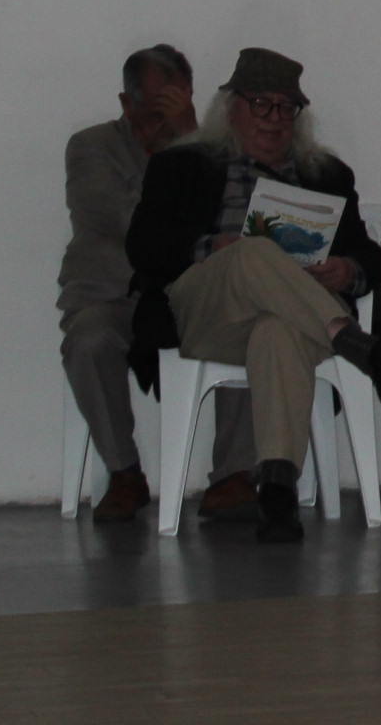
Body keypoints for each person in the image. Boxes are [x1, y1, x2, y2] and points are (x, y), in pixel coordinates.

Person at [127, 48, 381, 543]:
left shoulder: (327, 175)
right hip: (205, 310)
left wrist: (349, 270)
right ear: (231, 108)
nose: (275, 118)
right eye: (261, 104)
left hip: (295, 317)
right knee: (253, 252)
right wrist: (213, 247)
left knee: (278, 331)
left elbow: (369, 255)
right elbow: (143, 246)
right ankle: (364, 349)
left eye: (286, 107)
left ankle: (276, 493)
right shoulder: (182, 165)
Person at [59, 45, 248, 524]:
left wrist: (189, 141)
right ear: (127, 103)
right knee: (88, 341)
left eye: (175, 106)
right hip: (112, 294)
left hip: (188, 290)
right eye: (152, 113)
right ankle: (124, 473)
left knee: (249, 322)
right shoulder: (90, 146)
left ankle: (234, 476)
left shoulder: (215, 151)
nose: (162, 123)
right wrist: (173, 156)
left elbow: (226, 220)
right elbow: (128, 220)